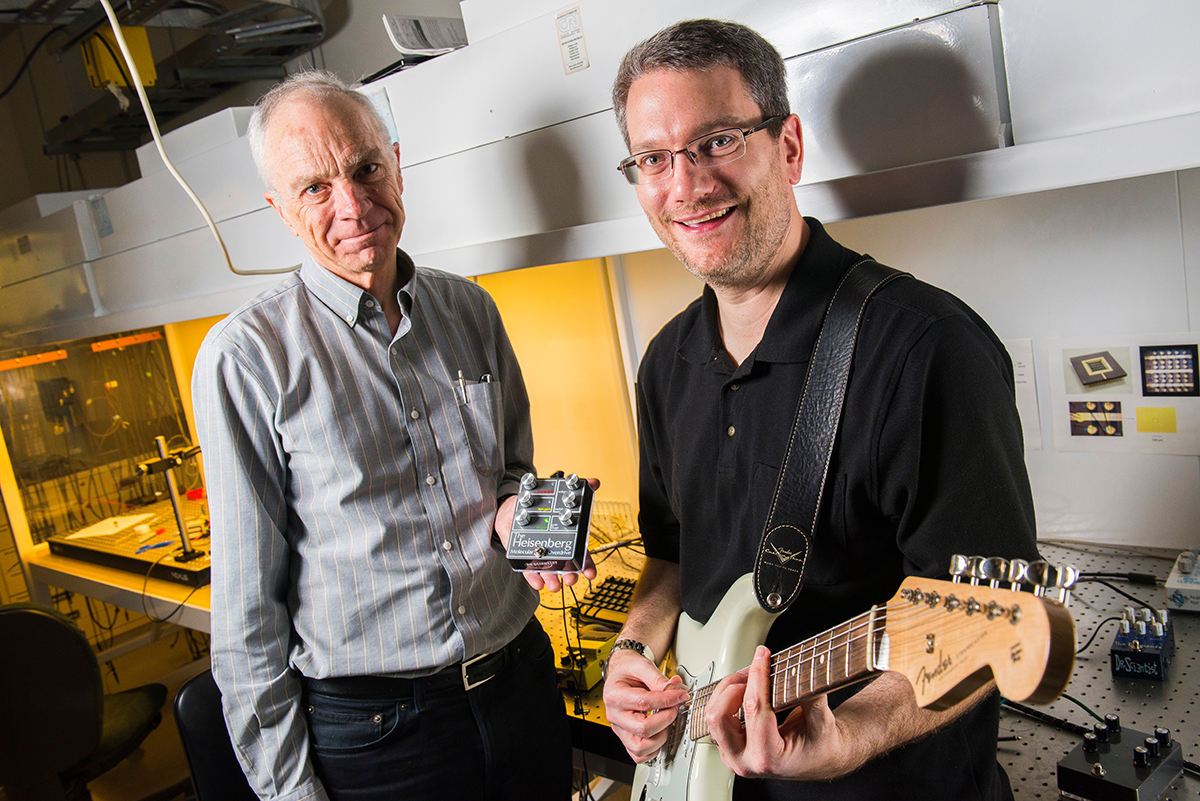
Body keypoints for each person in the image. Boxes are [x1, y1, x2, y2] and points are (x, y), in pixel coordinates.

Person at [600, 19, 1040, 801]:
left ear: (789, 147)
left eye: (719, 141)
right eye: (656, 159)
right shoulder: (665, 362)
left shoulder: (926, 349)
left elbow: (992, 620)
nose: (688, 185)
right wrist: (632, 652)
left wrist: (853, 735)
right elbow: (670, 557)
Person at [193, 71, 589, 801]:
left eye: (367, 168)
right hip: (378, 734)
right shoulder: (246, 356)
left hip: (519, 686)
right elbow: (247, 616)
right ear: (280, 209)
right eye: (315, 186)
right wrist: (289, 792)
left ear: (397, 165)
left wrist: (523, 519)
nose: (352, 204)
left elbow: (508, 475)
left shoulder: (470, 309)